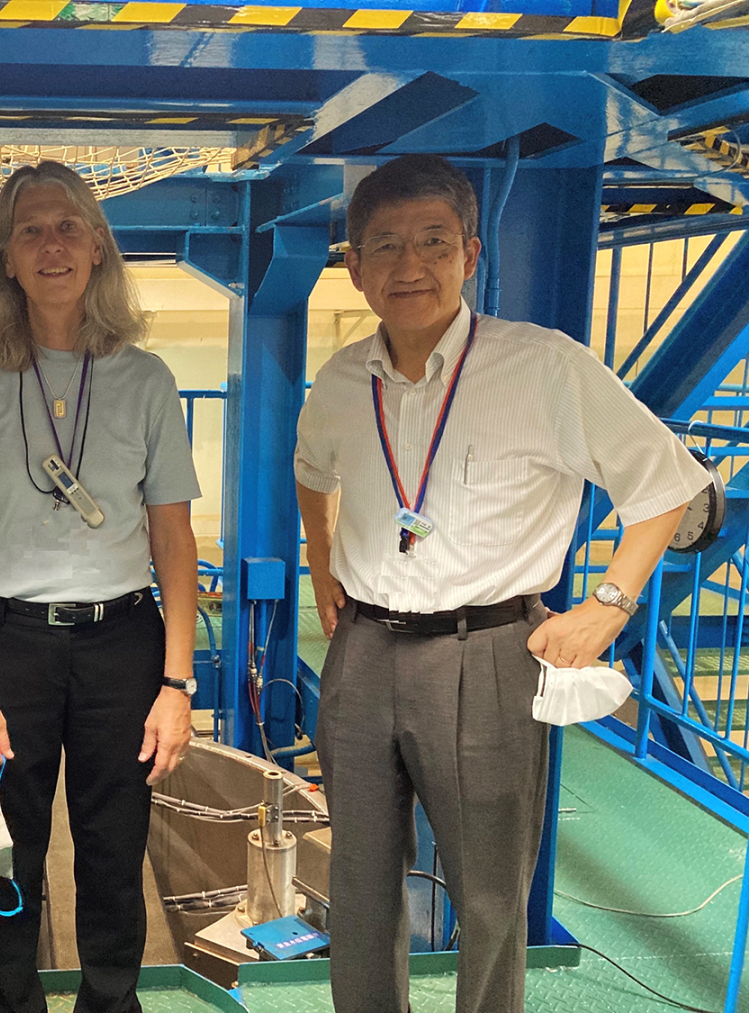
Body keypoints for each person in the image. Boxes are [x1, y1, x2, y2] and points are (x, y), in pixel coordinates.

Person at [293, 154, 710, 1013]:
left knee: (488, 894)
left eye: (434, 242)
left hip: (486, 652)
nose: (411, 266)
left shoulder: (543, 367)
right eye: (387, 246)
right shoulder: (340, 380)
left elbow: (666, 483)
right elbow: (310, 470)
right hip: (364, 650)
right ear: (357, 267)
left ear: (471, 254)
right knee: (360, 884)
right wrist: (321, 556)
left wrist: (609, 604)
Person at [0, 161, 201, 1013]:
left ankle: (110, 1002)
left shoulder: (146, 380)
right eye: (32, 229)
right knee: (4, 850)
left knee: (117, 851)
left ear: (99, 249)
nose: (52, 245)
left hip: (122, 642)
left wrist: (177, 683)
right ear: (5, 257)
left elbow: (174, 540)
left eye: (69, 227)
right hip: (6, 643)